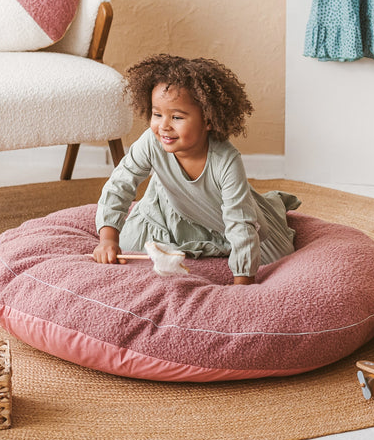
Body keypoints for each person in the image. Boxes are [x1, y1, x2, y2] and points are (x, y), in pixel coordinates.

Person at [93, 54, 300, 284]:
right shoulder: (152, 142)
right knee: (132, 245)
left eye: (177, 117)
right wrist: (108, 239)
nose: (164, 126)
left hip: (220, 216)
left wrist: (243, 284)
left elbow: (240, 222)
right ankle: (165, 193)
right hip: (169, 209)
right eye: (157, 114)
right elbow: (120, 183)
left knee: (276, 255)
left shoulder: (226, 160)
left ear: (208, 120)